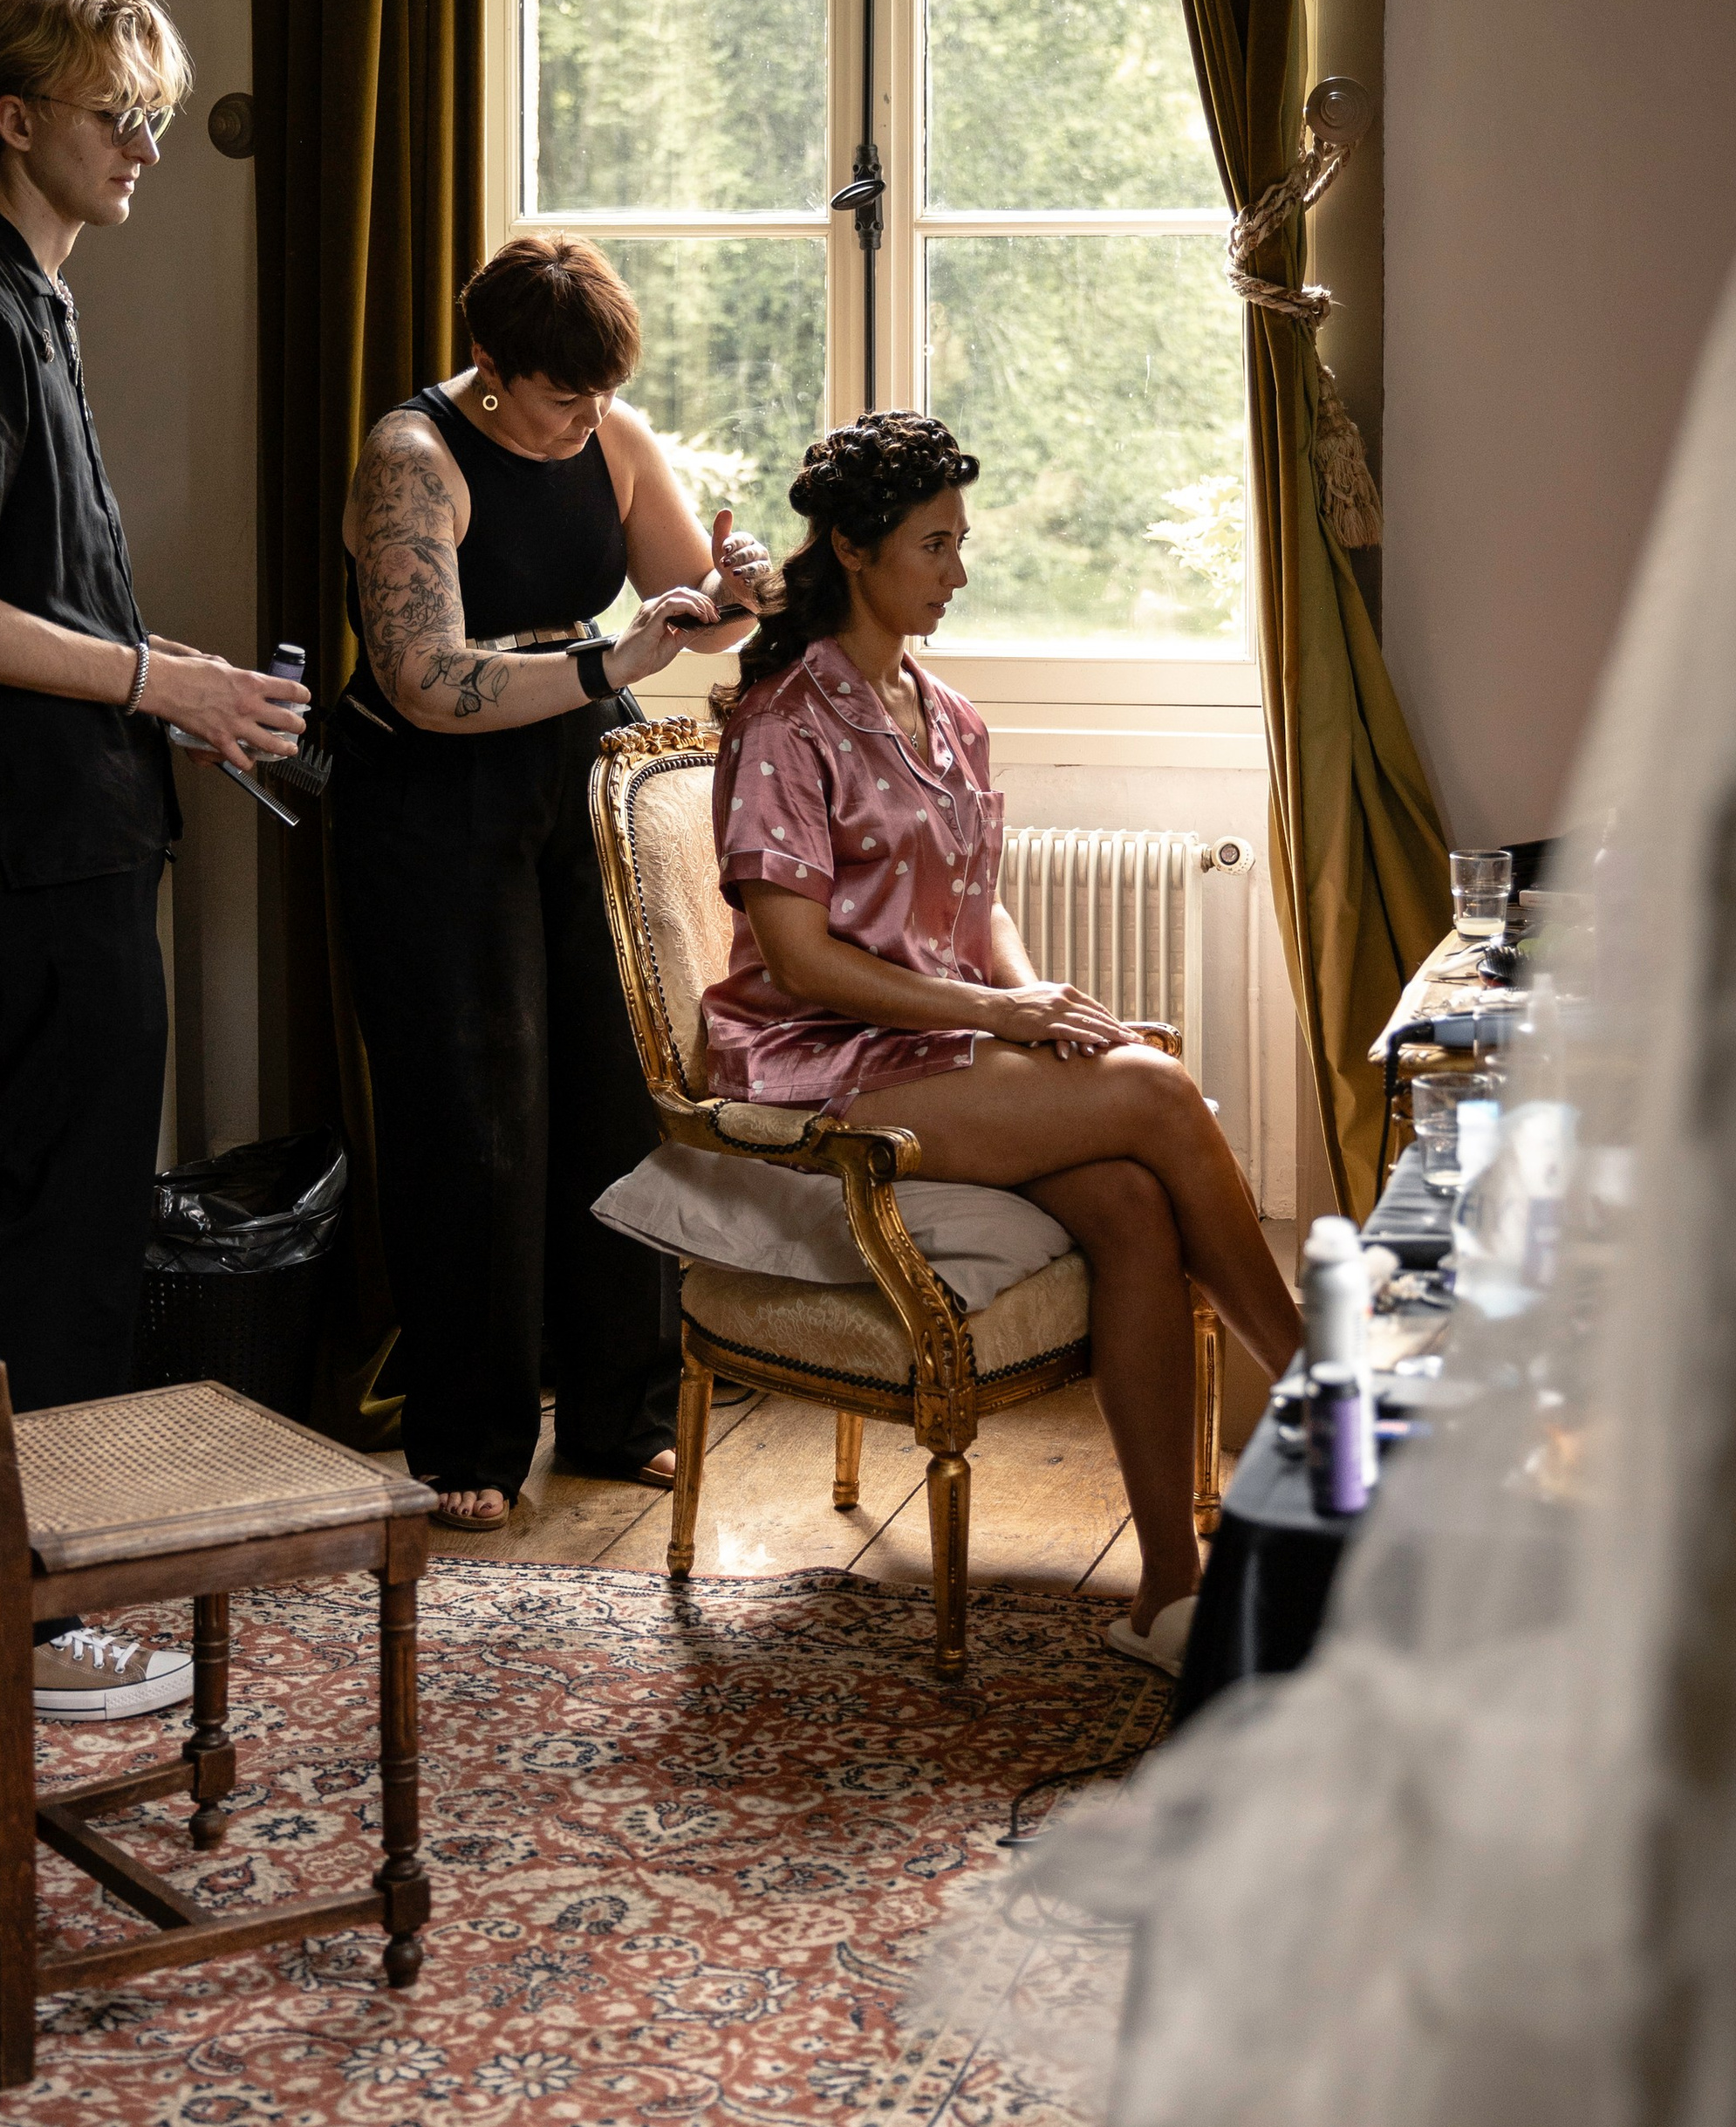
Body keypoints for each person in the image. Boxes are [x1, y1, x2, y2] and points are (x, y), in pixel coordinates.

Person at [0, 0, 308, 1719]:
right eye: (111, 111)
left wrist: (175, 703)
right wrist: (165, 679)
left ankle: (7, 1604)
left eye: (154, 118)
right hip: (31, 851)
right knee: (64, 1230)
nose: (141, 146)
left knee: (67, 1214)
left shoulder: (26, 307)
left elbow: (26, 607)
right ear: (13, 118)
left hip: (72, 832)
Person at [702, 411, 1299, 1672]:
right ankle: (1325, 1406)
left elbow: (982, 902)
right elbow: (801, 961)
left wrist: (1050, 1006)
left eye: (961, 543)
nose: (957, 573)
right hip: (817, 1069)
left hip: (936, 1054)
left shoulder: (946, 711)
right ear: (854, 551)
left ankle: (1169, 1598)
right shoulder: (783, 719)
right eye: (934, 546)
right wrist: (1004, 1016)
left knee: (1136, 1200)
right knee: (1160, 1093)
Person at [333, 233, 766, 1531]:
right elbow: (423, 678)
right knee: (473, 1111)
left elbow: (688, 604)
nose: (589, 422)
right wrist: (609, 668)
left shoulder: (612, 436)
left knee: (611, 1087)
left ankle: (617, 1412)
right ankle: (467, 1436)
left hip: (573, 774)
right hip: (429, 792)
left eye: (603, 397)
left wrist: (736, 595)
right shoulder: (409, 461)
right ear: (489, 365)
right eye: (563, 399)